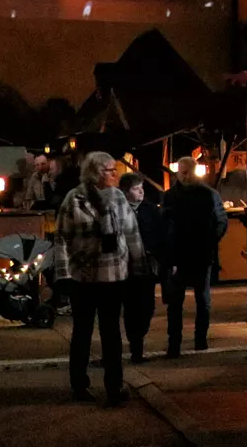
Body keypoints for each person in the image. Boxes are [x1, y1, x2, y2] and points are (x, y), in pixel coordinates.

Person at [55, 151, 143, 406]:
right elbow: (61, 237)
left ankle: (114, 387)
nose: (114, 174)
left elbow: (132, 233)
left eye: (114, 169)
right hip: (83, 276)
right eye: (108, 170)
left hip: (114, 275)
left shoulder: (118, 198)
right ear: (93, 171)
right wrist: (64, 274)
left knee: (111, 333)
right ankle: (79, 384)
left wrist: (140, 266)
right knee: (82, 331)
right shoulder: (75, 199)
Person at [162, 155, 227, 357]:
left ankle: (179, 343)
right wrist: (210, 241)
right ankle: (195, 340)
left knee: (180, 302)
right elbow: (221, 222)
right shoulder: (206, 194)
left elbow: (165, 226)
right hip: (193, 253)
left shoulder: (173, 196)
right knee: (197, 300)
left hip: (185, 254)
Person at [119, 171, 162, 362]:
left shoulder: (150, 210)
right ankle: (136, 345)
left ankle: (139, 335)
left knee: (148, 306)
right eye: (136, 189)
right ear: (127, 192)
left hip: (146, 266)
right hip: (126, 267)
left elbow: (160, 235)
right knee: (131, 307)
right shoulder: (119, 211)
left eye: (141, 188)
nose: (141, 192)